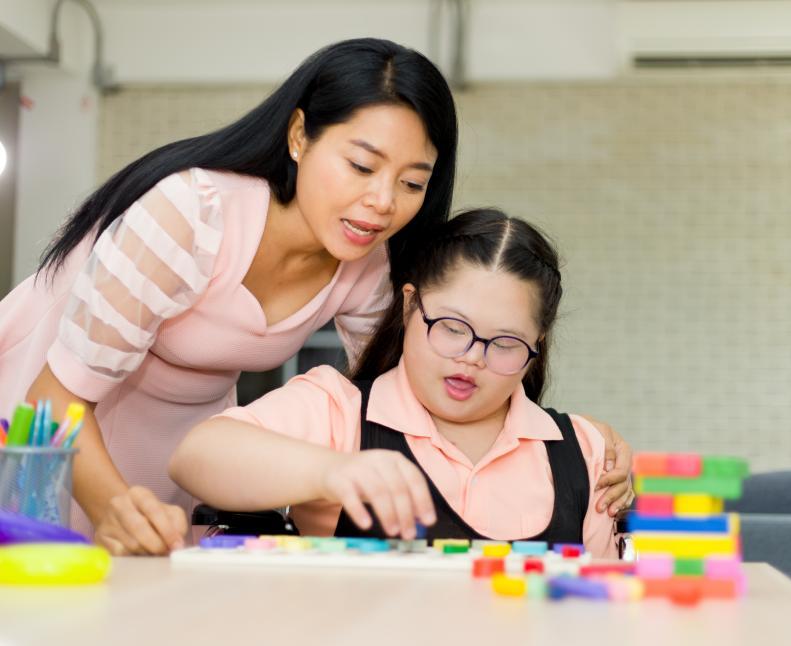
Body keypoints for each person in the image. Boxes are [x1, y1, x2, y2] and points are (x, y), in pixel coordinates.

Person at [0, 38, 632, 556]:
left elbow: (415, 391)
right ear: (299, 136)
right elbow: (58, 397)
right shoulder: (188, 216)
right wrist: (110, 503)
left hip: (182, 435)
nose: (383, 202)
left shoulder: (364, 263)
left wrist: (573, 439)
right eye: (361, 166)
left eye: (413, 182)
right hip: (51, 416)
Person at [171, 209, 618, 557]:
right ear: (409, 306)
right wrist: (332, 471)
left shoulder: (583, 451)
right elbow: (196, 458)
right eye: (452, 327)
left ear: (537, 343)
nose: (471, 358)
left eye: (504, 343)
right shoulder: (339, 412)